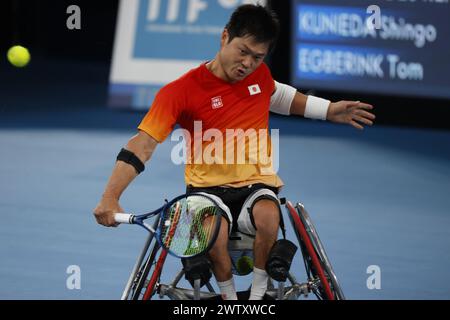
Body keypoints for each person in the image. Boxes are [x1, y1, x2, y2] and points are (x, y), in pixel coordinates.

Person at [93, 4, 375, 300]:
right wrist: (110, 198)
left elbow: (279, 95)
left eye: (258, 57)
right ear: (225, 37)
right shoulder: (179, 91)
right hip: (206, 189)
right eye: (243, 51)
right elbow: (143, 144)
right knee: (213, 232)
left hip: (257, 183)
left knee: (268, 216)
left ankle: (256, 297)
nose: (248, 64)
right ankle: (229, 300)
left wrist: (328, 110)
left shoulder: (259, 76)